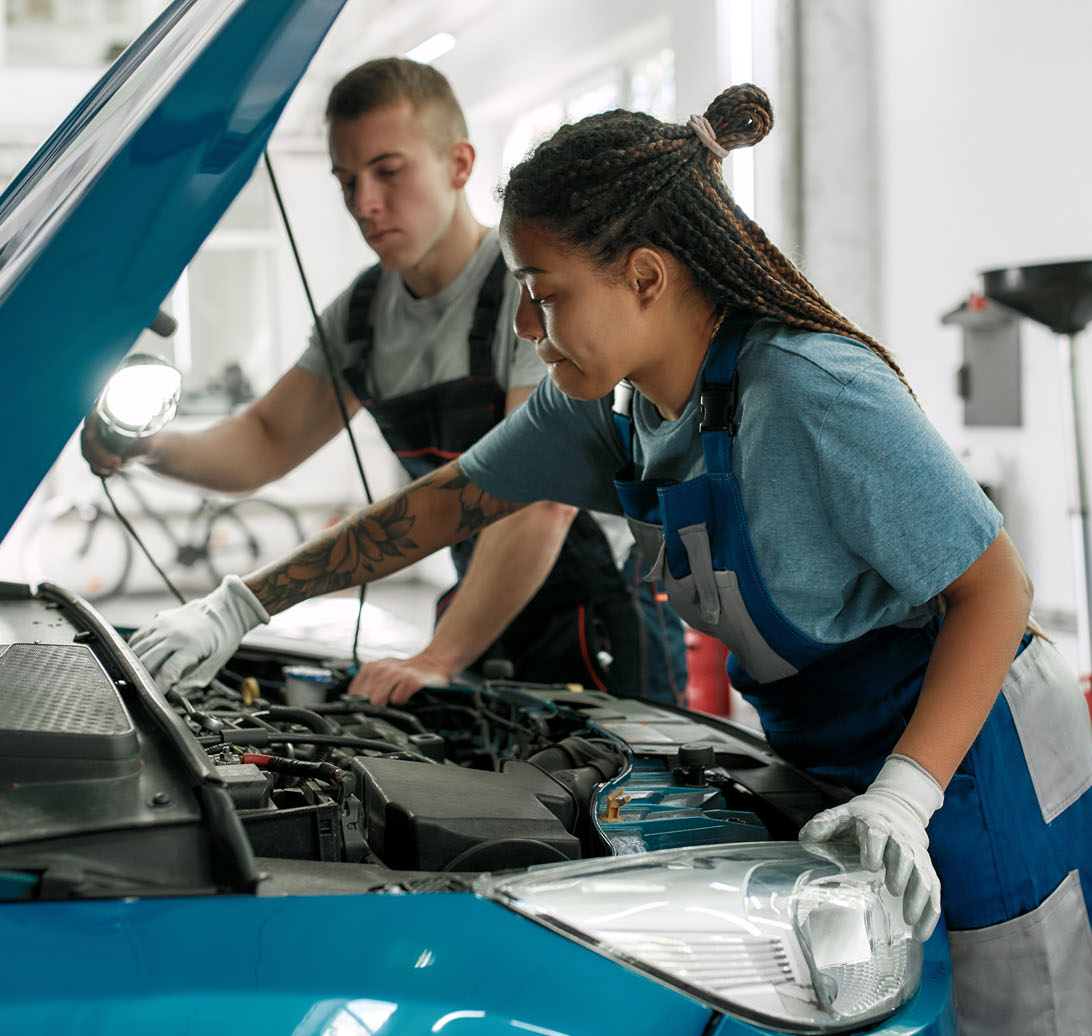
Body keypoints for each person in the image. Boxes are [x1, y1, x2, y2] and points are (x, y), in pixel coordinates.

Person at [127, 84, 1092, 1036]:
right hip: (835, 748)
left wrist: (908, 795)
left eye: (548, 291)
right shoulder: (607, 411)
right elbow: (440, 504)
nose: (528, 325)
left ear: (646, 278)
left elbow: (996, 593)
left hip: (973, 744)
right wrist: (246, 602)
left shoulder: (810, 392)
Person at [83, 58, 684, 706]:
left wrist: (437, 656)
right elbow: (265, 438)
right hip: (477, 623)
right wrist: (145, 447)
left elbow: (537, 498)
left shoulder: (535, 293)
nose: (365, 204)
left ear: (458, 164)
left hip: (599, 626)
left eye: (388, 172)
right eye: (347, 182)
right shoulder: (360, 317)